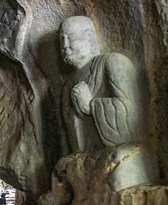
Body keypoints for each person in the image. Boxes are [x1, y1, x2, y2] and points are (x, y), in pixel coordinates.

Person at [60, 16, 145, 152]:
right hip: (88, 157)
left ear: (89, 38)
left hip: (121, 152)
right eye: (62, 39)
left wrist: (91, 105)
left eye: (70, 37)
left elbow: (134, 115)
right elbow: (70, 138)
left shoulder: (113, 62)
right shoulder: (68, 87)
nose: (65, 45)